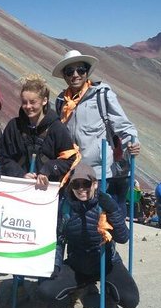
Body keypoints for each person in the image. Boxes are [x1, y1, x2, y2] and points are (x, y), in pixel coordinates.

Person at [0, 73, 78, 308]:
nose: (28, 107)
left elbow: (70, 158)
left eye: (33, 101)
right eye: (25, 102)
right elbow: (3, 158)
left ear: (44, 100)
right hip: (21, 195)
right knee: (20, 237)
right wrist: (20, 174)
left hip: (48, 199)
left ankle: (45, 290)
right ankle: (20, 286)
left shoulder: (57, 128)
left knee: (48, 241)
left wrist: (47, 169)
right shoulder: (14, 126)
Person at [37, 162, 139, 308]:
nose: (81, 189)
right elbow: (59, 241)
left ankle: (107, 290)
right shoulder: (66, 208)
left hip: (107, 264)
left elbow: (123, 238)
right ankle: (82, 287)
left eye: (86, 183)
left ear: (95, 184)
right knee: (45, 291)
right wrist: (56, 265)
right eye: (76, 185)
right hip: (77, 265)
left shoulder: (105, 205)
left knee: (130, 300)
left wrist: (113, 210)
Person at [53, 49, 140, 209]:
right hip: (73, 173)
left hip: (100, 173)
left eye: (81, 70)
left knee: (100, 222)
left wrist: (132, 143)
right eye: (70, 71)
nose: (75, 75)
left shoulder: (102, 94)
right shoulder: (61, 102)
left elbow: (123, 125)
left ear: (87, 72)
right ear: (64, 76)